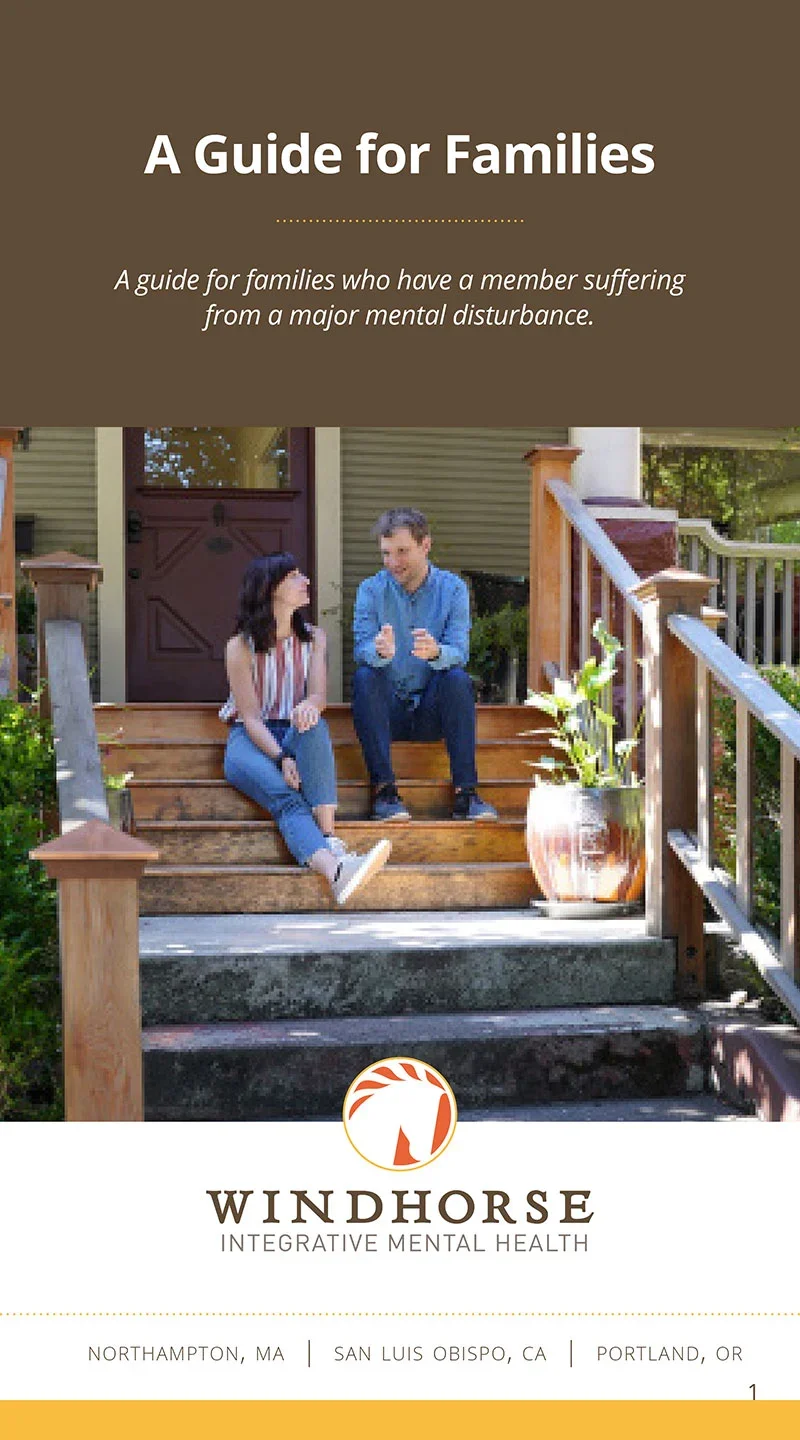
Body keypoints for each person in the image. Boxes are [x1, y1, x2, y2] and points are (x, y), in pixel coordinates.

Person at [221, 553, 391, 905]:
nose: (306, 581)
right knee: (286, 798)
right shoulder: (240, 647)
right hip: (251, 739)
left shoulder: (314, 638)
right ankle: (337, 869)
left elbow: (317, 696)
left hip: (297, 731)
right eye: (295, 576)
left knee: (315, 724)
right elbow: (251, 717)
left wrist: (308, 707)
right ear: (271, 589)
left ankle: (328, 838)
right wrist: (282, 757)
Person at [352, 508, 498, 822]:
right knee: (365, 676)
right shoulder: (370, 590)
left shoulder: (453, 589)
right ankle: (385, 792)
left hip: (431, 712)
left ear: (425, 546)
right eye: (386, 554)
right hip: (389, 711)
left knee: (457, 679)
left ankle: (466, 794)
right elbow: (361, 648)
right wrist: (378, 651)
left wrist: (436, 653)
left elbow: (459, 651)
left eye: (402, 552)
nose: (393, 563)